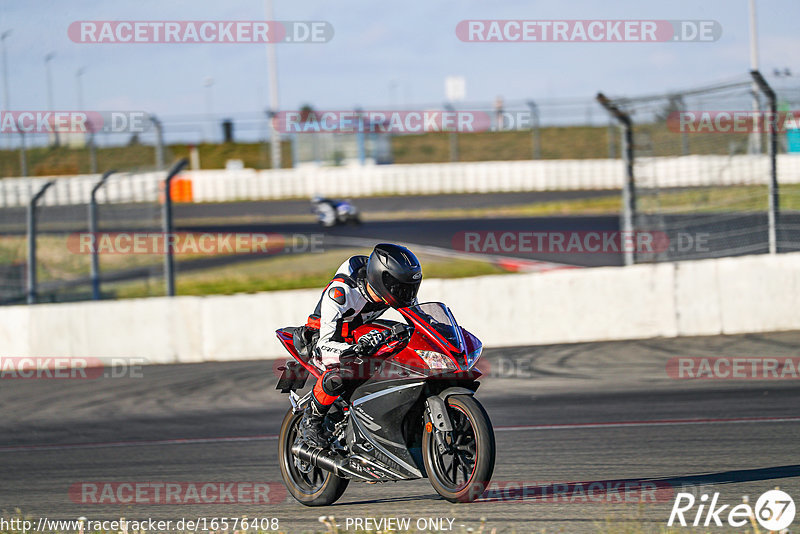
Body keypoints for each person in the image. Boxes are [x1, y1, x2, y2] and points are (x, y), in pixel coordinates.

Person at [299, 243, 423, 447]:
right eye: (401, 287)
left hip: (360, 330)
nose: (407, 293)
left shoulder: (396, 291)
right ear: (382, 279)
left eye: (410, 287)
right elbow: (323, 346)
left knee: (401, 345)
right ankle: (311, 422)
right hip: (322, 335)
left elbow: (418, 320)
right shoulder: (341, 293)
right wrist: (353, 350)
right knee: (340, 373)